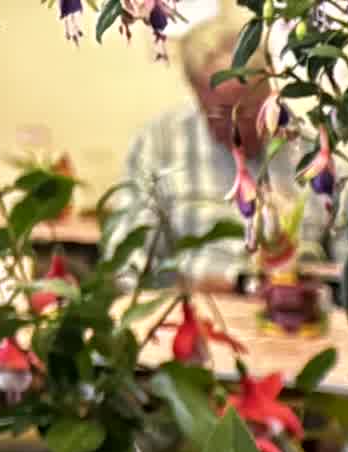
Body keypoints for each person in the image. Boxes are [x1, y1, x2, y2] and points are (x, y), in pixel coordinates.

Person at [118, 6, 327, 284]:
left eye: (250, 112)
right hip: (196, 304)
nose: (237, 129)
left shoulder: (314, 153)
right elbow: (127, 265)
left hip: (293, 306)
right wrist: (189, 290)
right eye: (221, 114)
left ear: (270, 85)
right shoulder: (159, 146)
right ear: (196, 94)